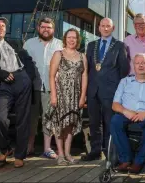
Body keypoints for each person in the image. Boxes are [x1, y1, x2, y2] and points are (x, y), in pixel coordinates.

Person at [0, 17, 36, 168]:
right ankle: (5, 149)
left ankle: (20, 155)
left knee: (23, 119)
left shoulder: (15, 43)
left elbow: (28, 60)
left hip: (21, 79)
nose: (2, 27)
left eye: (4, 25)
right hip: (2, 84)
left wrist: (28, 78)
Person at [81, 18, 130, 161]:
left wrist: (119, 91)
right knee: (94, 122)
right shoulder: (91, 45)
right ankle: (95, 151)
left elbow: (124, 70)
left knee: (109, 122)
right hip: (93, 90)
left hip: (111, 91)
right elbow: (87, 68)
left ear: (113, 28)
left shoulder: (120, 46)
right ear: (99, 28)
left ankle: (110, 153)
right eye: (103, 26)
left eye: (108, 26)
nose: (105, 28)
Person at [45, 28, 87, 165]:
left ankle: (68, 153)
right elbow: (51, 76)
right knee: (59, 125)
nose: (71, 40)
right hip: (61, 93)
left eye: (74, 37)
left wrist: (83, 96)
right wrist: (53, 96)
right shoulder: (58, 54)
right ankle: (60, 155)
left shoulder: (82, 56)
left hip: (75, 95)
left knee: (70, 125)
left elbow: (85, 76)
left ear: (77, 40)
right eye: (69, 37)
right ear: (65, 39)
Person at [24, 17, 63, 159]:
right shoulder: (29, 44)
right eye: (43, 27)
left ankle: (47, 148)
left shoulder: (60, 44)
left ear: (54, 29)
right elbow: (22, 64)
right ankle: (29, 146)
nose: (46, 30)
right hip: (32, 87)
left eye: (49, 27)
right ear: (38, 28)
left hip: (51, 88)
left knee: (49, 118)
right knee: (31, 119)